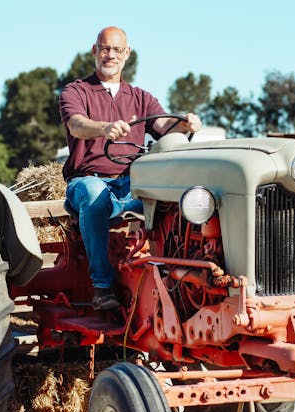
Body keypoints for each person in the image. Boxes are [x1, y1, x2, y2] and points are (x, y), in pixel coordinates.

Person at [59, 26, 202, 310]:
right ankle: (102, 286)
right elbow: (76, 125)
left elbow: (163, 125)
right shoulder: (76, 91)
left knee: (180, 198)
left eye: (116, 50)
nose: (110, 55)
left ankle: (177, 277)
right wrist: (104, 128)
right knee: (94, 193)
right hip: (87, 179)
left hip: (130, 183)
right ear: (94, 51)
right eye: (104, 48)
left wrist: (185, 124)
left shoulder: (141, 97)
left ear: (127, 54)